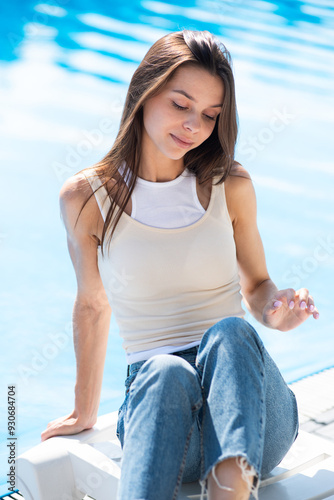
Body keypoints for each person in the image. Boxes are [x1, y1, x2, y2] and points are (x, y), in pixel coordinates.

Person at [41, 30, 319, 500]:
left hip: (256, 420)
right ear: (145, 91)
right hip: (165, 422)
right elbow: (92, 304)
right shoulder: (86, 198)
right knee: (166, 370)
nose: (194, 125)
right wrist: (83, 412)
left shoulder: (229, 183)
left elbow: (257, 286)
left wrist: (277, 310)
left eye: (211, 115)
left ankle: (231, 491)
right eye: (180, 104)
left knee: (229, 333)